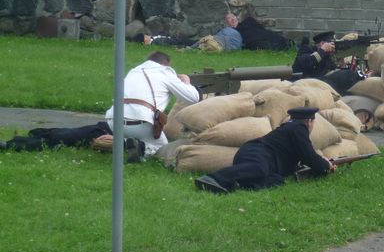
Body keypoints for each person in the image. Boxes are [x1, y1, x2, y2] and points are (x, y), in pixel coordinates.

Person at [194, 107, 334, 194]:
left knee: (275, 181)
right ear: (309, 121)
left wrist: (321, 164)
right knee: (259, 169)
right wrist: (325, 165)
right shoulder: (298, 128)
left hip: (262, 157)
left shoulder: (291, 127)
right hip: (257, 152)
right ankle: (213, 179)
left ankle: (237, 184)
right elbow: (309, 156)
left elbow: (305, 156)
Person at [104, 50, 201, 159]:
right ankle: (141, 148)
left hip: (113, 123)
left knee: (143, 136)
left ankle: (125, 143)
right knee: (163, 148)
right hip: (140, 124)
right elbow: (193, 97)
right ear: (166, 64)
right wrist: (186, 82)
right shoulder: (165, 72)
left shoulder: (133, 71)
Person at [292, 31, 367, 95]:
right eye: (331, 44)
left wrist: (341, 61)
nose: (333, 46)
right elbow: (307, 62)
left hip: (324, 81)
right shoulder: (306, 49)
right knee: (344, 75)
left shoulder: (329, 55)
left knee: (348, 74)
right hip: (307, 82)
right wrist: (323, 50)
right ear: (322, 44)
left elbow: (333, 70)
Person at [136, 13, 243, 52]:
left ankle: (151, 40)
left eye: (233, 18)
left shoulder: (232, 33)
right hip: (219, 42)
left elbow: (202, 41)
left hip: (217, 42)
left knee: (183, 42)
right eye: (229, 18)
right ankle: (151, 40)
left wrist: (189, 49)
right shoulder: (231, 33)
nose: (231, 19)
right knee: (183, 41)